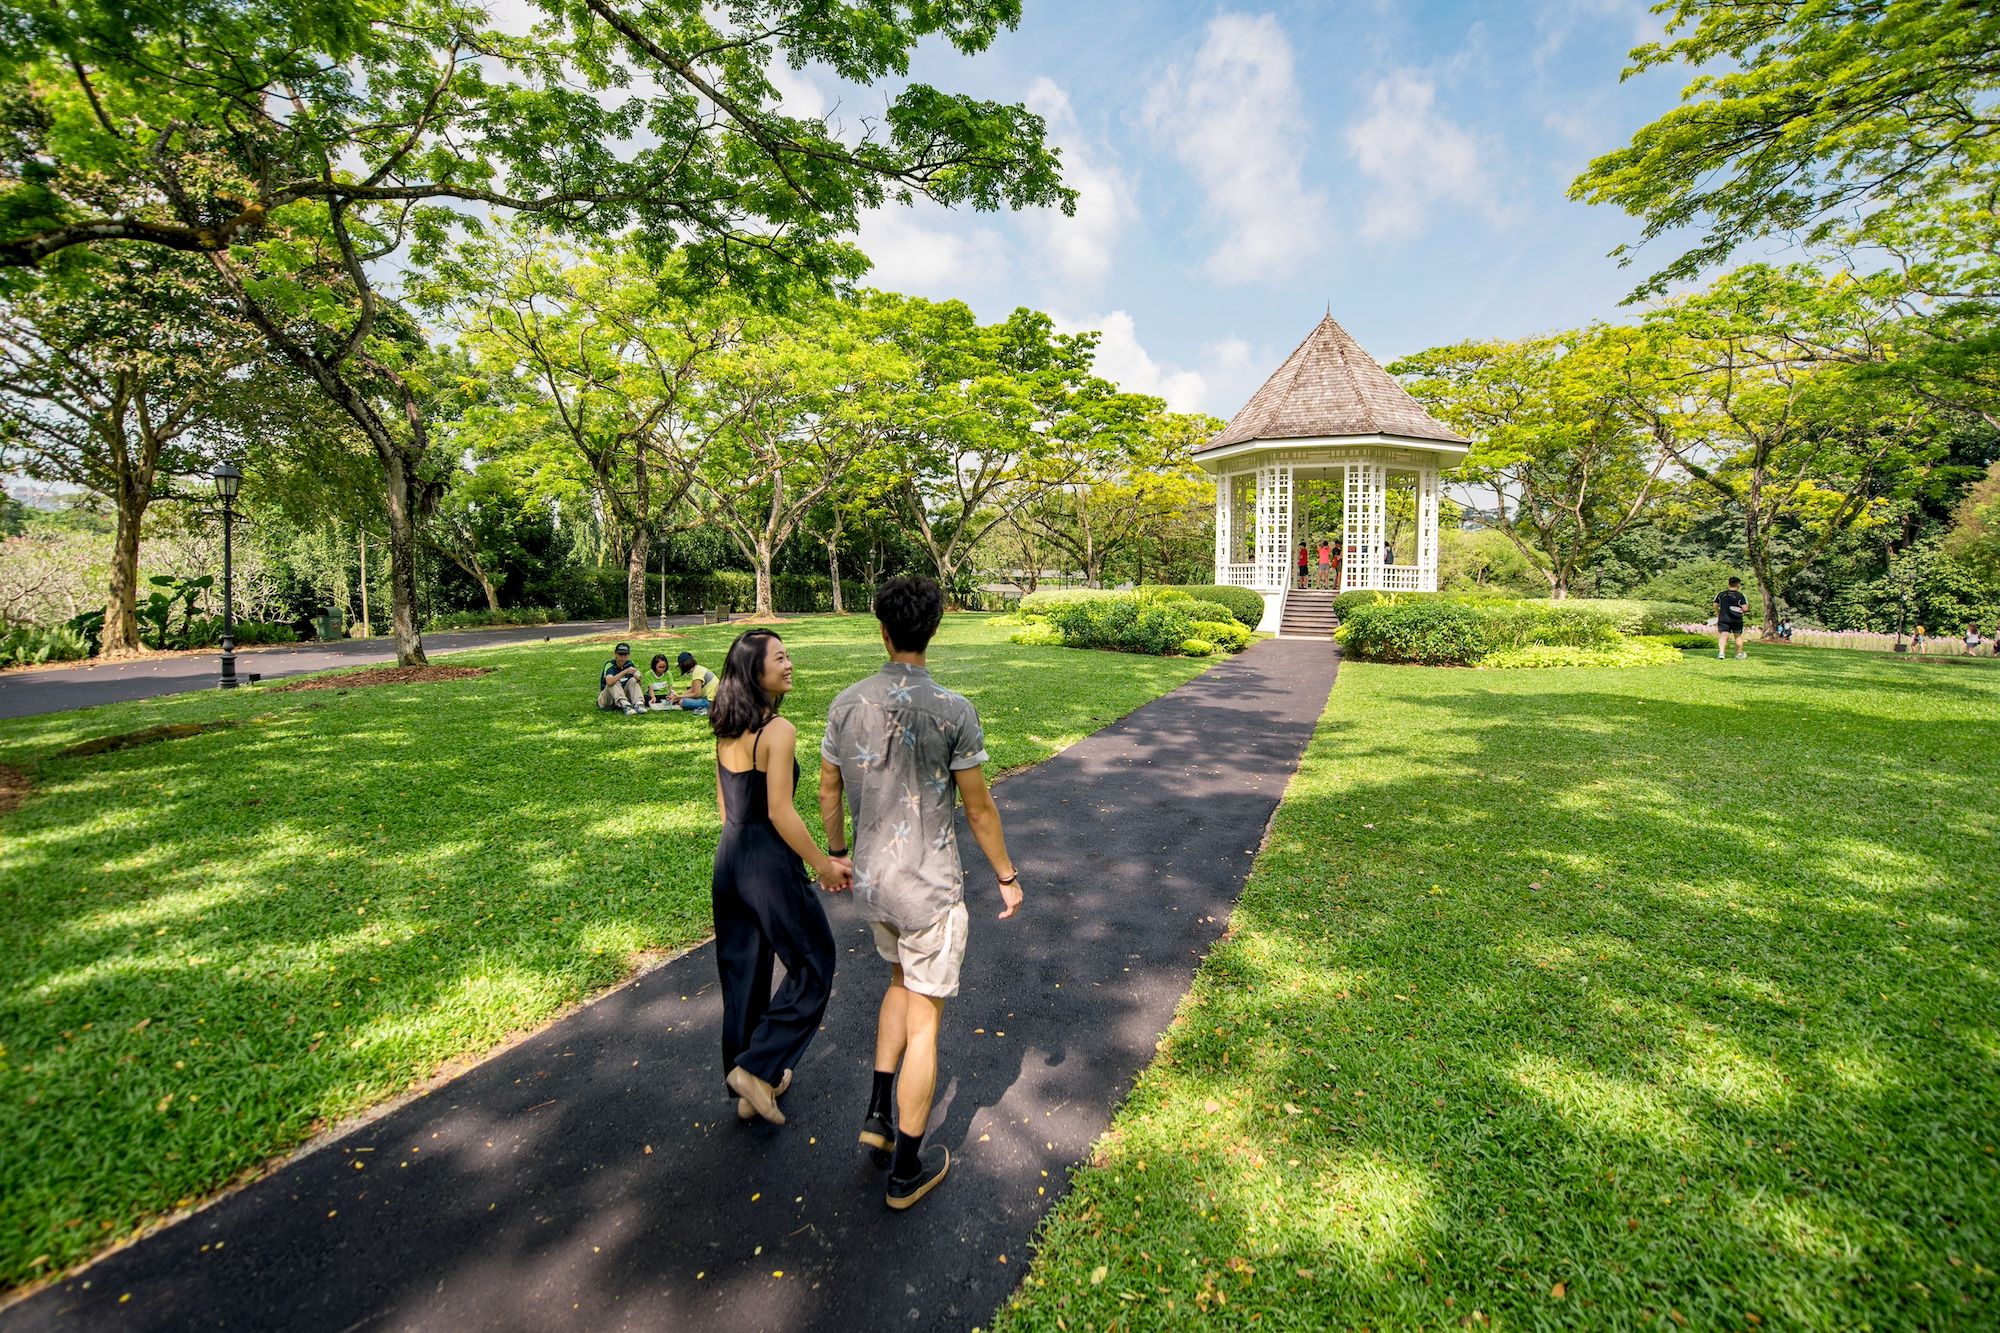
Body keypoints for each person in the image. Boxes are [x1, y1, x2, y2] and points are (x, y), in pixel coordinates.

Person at [819, 575, 1022, 1212]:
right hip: (930, 889)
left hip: (874, 885)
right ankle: (906, 1169)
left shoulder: (845, 703)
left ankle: (878, 1117)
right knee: (926, 1021)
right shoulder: (953, 709)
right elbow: (980, 807)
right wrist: (1008, 877)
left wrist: (837, 853)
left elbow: (827, 790)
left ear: (882, 628)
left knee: (899, 986)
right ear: (933, 628)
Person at [708, 629, 848, 1125]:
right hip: (769, 862)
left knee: (743, 973)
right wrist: (825, 863)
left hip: (729, 859)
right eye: (780, 658)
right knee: (814, 962)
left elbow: (727, 804)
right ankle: (758, 1066)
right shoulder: (778, 730)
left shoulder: (726, 726)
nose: (789, 664)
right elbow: (782, 812)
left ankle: (751, 1085)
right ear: (756, 671)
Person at [598, 643, 646, 715]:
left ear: (628, 655)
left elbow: (639, 683)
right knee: (614, 682)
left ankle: (639, 704)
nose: (623, 657)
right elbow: (609, 682)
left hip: (623, 695)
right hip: (607, 699)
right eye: (620, 654)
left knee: (633, 680)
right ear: (615, 654)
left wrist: (638, 678)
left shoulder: (630, 664)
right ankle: (626, 706)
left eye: (625, 654)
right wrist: (625, 672)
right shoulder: (610, 665)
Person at [1714, 577, 1749, 659]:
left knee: (1723, 635)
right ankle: (1738, 654)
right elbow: (1745, 608)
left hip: (1723, 618)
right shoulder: (1741, 595)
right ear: (1738, 584)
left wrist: (1718, 613)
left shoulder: (1721, 594)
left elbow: (1715, 605)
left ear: (1728, 583)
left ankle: (1721, 653)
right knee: (1738, 636)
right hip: (1736, 619)